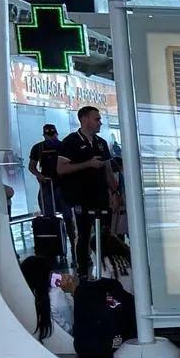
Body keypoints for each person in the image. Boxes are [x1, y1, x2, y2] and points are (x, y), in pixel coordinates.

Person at [57, 106, 118, 278]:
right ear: (84, 119)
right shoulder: (70, 142)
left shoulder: (101, 143)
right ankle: (83, 273)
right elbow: (61, 169)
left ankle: (109, 270)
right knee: (83, 236)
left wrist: (115, 193)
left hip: (101, 197)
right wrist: (88, 164)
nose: (100, 123)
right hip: (80, 198)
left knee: (105, 234)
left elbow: (108, 170)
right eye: (96, 119)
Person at [20, 255, 76, 340]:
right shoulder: (57, 295)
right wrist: (72, 289)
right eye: (51, 273)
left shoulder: (28, 300)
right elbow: (72, 325)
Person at [28, 124, 63, 216]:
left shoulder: (63, 146)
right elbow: (31, 166)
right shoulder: (38, 148)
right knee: (47, 211)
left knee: (68, 212)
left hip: (63, 183)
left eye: (53, 135)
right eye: (49, 135)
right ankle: (50, 223)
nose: (51, 137)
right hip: (47, 182)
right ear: (44, 135)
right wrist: (39, 175)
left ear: (57, 134)